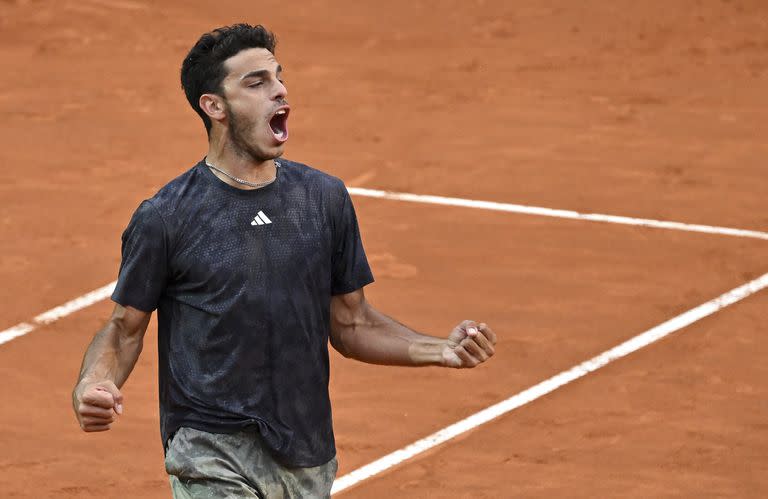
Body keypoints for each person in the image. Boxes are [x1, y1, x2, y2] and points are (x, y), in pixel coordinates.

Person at [71, 23, 497, 498]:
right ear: (215, 106)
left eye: (278, 77)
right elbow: (124, 328)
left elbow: (352, 323)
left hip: (306, 451)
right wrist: (94, 383)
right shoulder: (167, 217)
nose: (279, 90)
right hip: (209, 447)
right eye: (256, 83)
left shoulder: (323, 199)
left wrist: (439, 349)